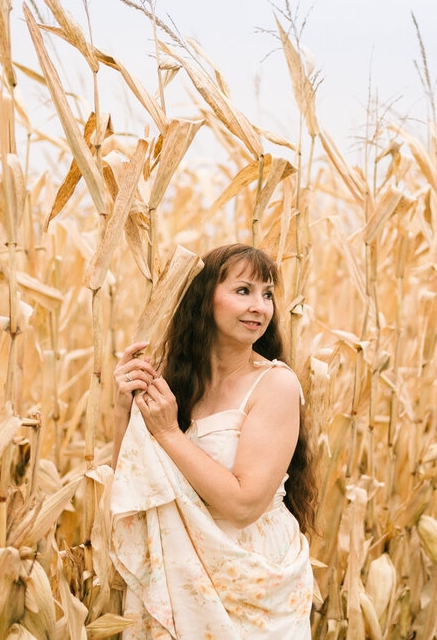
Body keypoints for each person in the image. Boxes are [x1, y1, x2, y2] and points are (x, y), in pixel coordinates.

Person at [110, 243, 316, 639]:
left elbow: (244, 505)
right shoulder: (175, 381)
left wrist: (169, 432)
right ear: (204, 298)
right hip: (182, 569)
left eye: (267, 293)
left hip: (254, 578)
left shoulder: (275, 385)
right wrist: (124, 410)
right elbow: (134, 485)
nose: (260, 306)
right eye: (244, 291)